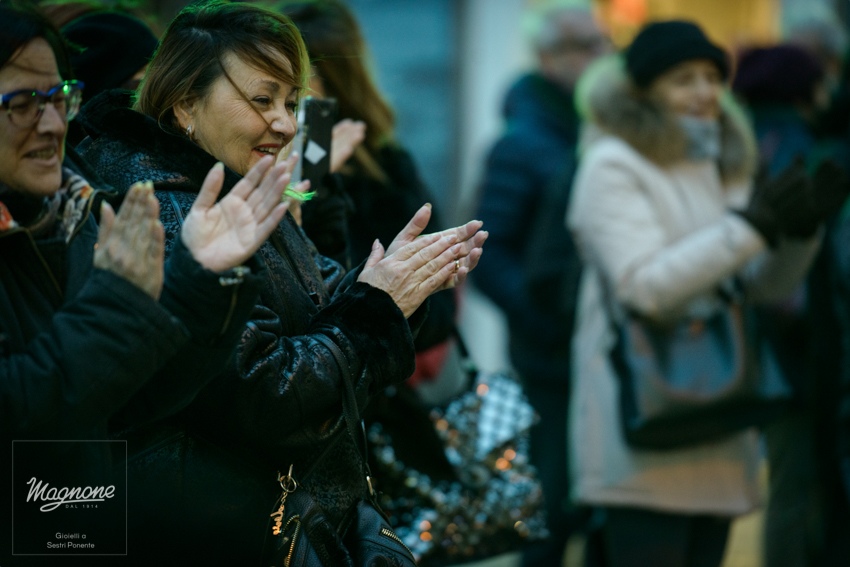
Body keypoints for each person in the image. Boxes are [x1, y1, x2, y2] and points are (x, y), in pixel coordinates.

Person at [74, 0, 487, 562]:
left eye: (293, 102)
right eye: (262, 100)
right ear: (185, 103)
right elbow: (264, 395)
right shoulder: (169, 211)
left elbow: (320, 298)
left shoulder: (238, 184)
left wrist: (393, 287)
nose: (289, 124)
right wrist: (376, 305)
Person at [0, 0, 294, 560]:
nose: (54, 124)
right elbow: (19, 414)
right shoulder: (137, 200)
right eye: (21, 104)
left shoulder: (69, 212)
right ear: (186, 105)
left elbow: (126, 400)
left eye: (59, 98)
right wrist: (118, 304)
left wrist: (202, 280)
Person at [567, 20, 845, 567]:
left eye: (713, 78)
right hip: (645, 424)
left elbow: (759, 288)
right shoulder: (613, 164)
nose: (704, 92)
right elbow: (644, 288)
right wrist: (750, 228)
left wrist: (800, 233)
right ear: (644, 91)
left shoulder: (724, 161)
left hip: (722, 419)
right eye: (683, 79)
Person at [472, 4, 610, 565]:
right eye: (585, 45)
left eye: (603, 42)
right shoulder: (523, 141)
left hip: (601, 354)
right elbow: (487, 254)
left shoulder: (599, 131)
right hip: (550, 362)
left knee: (600, 510)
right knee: (550, 511)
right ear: (549, 57)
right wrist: (546, 320)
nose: (601, 55)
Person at [733, 43, 849, 567]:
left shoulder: (739, 142)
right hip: (796, 346)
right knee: (795, 482)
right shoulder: (799, 146)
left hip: (748, 339)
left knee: (782, 479)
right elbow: (792, 275)